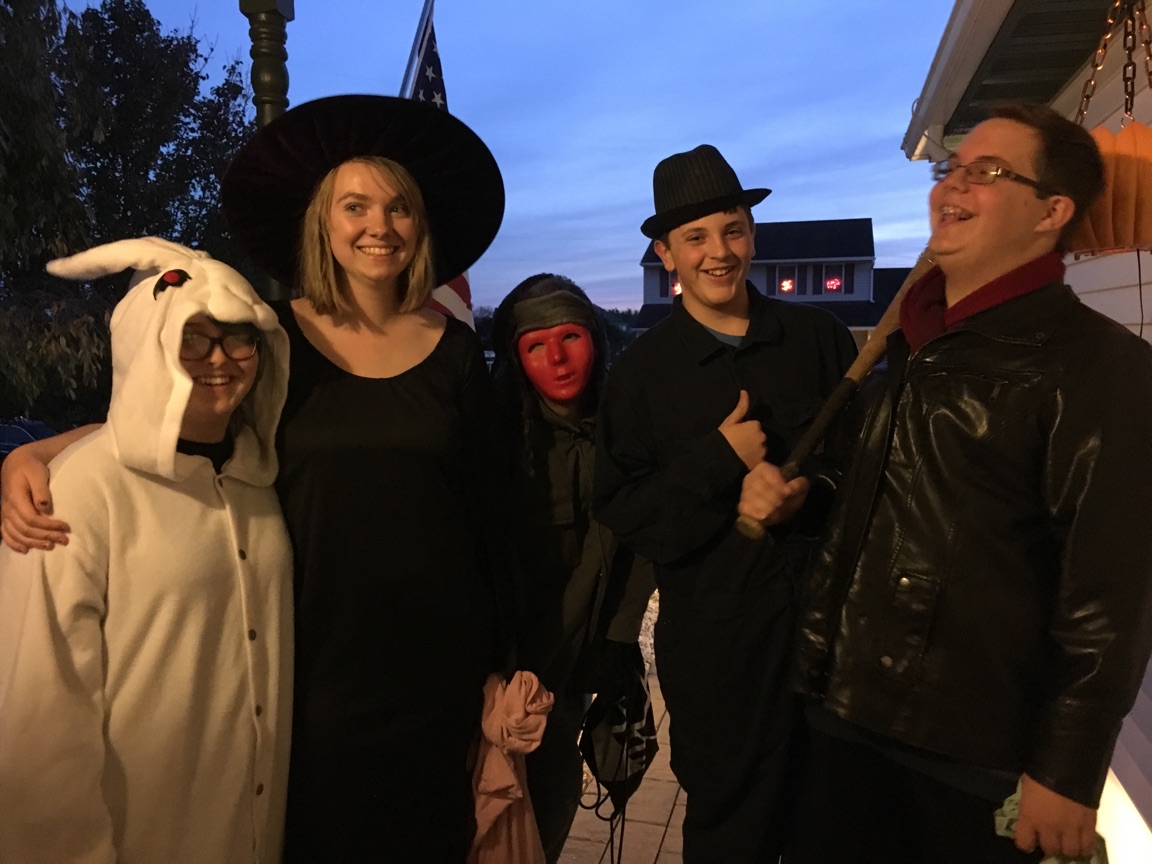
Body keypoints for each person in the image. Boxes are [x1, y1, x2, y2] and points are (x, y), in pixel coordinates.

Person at [0, 95, 514, 863]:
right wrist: (34, 454)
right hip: (305, 670)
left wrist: (502, 665)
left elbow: (493, 517)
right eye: (356, 205)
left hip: (432, 675)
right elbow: (171, 414)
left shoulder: (457, 353)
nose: (380, 225)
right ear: (322, 222)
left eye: (399, 206)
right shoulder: (272, 339)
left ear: (420, 224)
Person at [738, 102, 1152, 863]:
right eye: (950, 168)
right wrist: (806, 496)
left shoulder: (1097, 368)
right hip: (840, 711)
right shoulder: (915, 343)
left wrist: (1066, 770)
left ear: (1051, 212)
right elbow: (868, 484)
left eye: (987, 171)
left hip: (965, 755)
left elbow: (1108, 595)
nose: (952, 185)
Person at [592, 144, 858, 863]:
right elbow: (626, 511)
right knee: (731, 834)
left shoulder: (818, 340)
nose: (719, 252)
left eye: (732, 230)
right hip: (719, 658)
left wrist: (810, 494)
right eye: (696, 237)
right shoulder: (642, 375)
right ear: (666, 254)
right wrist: (717, 461)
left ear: (752, 234)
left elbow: (866, 470)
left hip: (829, 645)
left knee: (831, 827)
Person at [0, 238, 292, 864]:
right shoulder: (80, 492)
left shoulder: (261, 483)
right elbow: (40, 716)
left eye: (238, 338)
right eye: (193, 338)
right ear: (147, 343)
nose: (219, 359)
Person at [490, 274, 655, 862]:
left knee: (553, 808)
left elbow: (637, 543)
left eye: (570, 338)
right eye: (536, 346)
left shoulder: (626, 430)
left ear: (596, 340)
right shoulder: (499, 442)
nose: (557, 359)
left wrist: (617, 643)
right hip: (510, 674)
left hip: (577, 671)